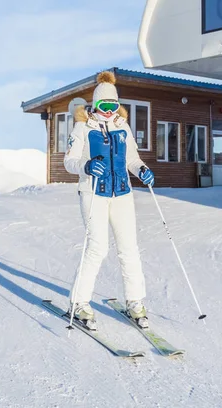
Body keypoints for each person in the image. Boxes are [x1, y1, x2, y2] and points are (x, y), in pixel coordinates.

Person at [64, 71, 155, 330]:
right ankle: (79, 302)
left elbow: (132, 159)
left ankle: (135, 302)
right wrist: (88, 166)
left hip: (122, 193)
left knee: (129, 248)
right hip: (93, 193)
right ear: (94, 105)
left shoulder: (122, 126)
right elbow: (69, 162)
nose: (108, 111)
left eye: (113, 106)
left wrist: (142, 170)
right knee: (97, 248)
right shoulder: (83, 127)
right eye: (103, 106)